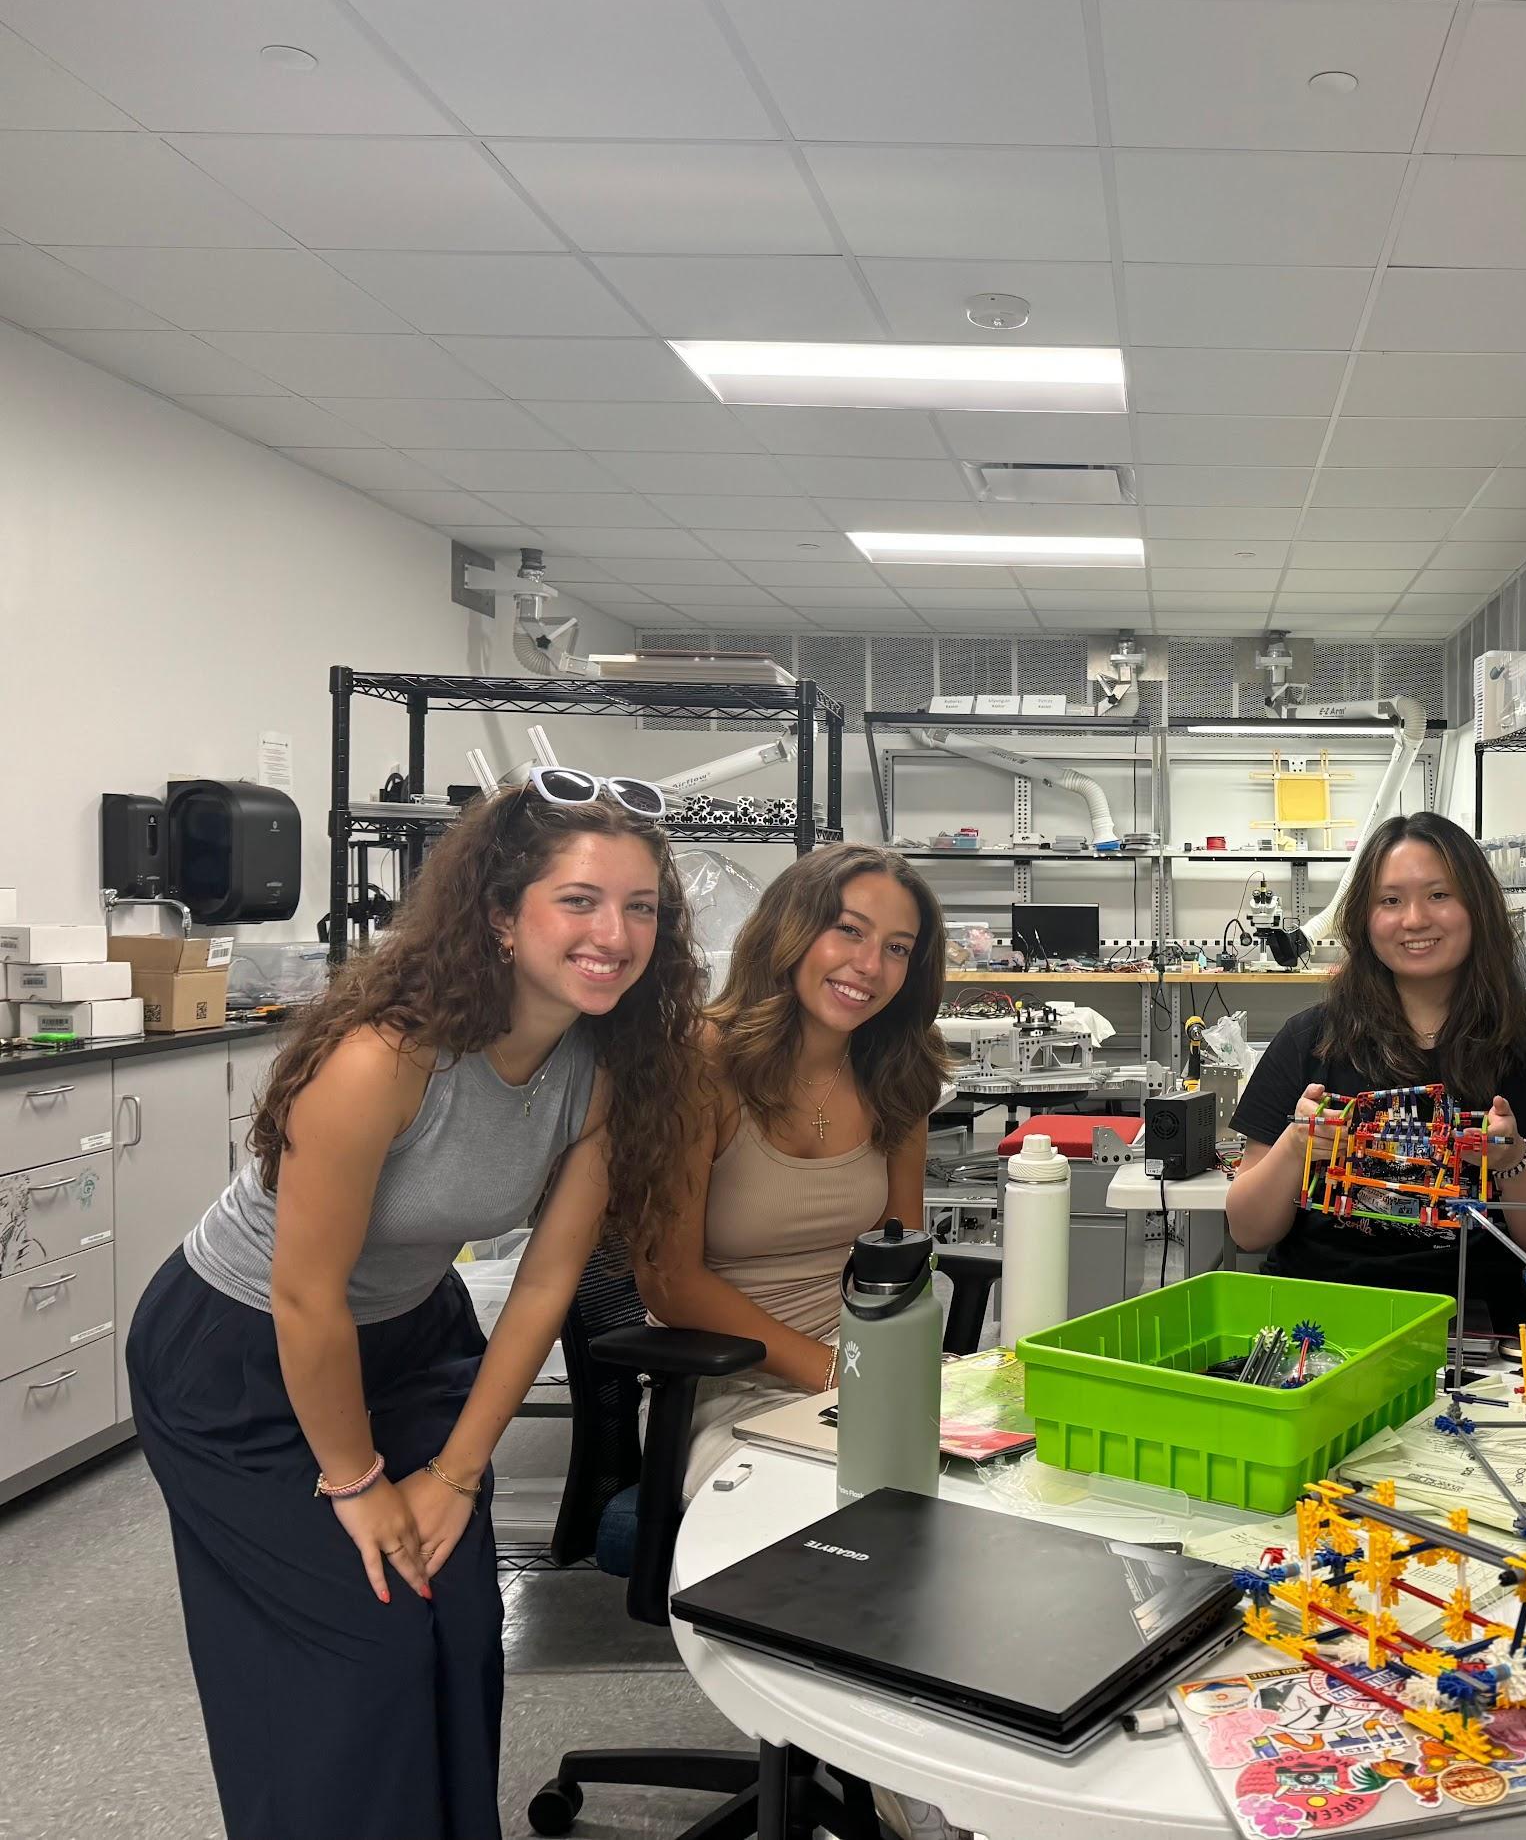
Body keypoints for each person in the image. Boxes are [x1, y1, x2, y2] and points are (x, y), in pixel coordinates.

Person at [126, 774, 708, 1840]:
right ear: (501, 915)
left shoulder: (603, 1068)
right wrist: (355, 1482)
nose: (615, 934)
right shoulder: (383, 1059)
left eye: (641, 908)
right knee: (363, 1643)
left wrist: (456, 1473)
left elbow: (547, 1281)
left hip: (411, 1337)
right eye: (579, 901)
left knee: (457, 1614)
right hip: (242, 1352)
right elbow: (304, 1294)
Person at [639, 844, 949, 1495]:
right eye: (849, 930)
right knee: (832, 1508)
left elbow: (901, 1259)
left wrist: (896, 1372)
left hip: (861, 1366)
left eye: (897, 948)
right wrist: (839, 1373)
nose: (870, 965)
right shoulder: (701, 1061)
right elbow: (670, 1282)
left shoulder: (899, 1072)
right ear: (790, 928)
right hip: (721, 1381)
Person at [1227, 811, 1526, 1326]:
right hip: (1317, 1324)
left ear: (1478, 907)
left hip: (1471, 1331)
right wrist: (1297, 1145)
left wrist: (1512, 1161)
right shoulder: (1309, 1041)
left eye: (1439, 894)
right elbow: (1248, 1231)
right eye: (1390, 900)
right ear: (1364, 918)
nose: (1414, 920)